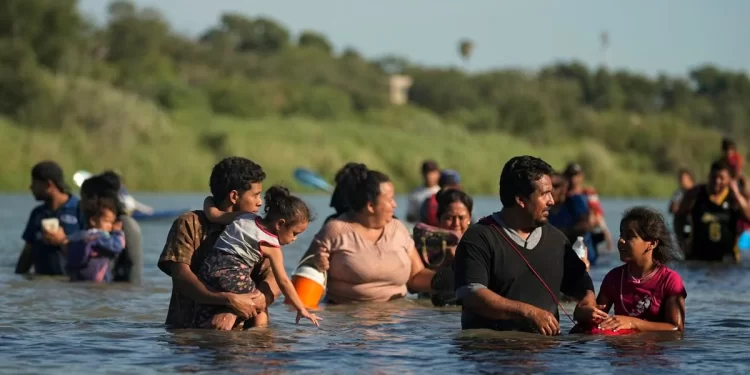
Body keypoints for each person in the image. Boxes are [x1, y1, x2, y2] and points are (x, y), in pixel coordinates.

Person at [454, 155, 597, 335]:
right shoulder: (478, 237)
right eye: (545, 194)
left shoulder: (557, 240)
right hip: (491, 353)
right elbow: (472, 296)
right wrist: (529, 312)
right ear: (521, 200)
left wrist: (588, 302)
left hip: (546, 355)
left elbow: (581, 283)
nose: (552, 201)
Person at [158, 156, 280, 330]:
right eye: (255, 195)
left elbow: (275, 280)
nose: (260, 202)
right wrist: (227, 299)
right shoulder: (190, 224)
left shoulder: (256, 230)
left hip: (242, 340)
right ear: (234, 196)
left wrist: (240, 308)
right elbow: (181, 277)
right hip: (188, 335)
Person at [298, 163, 436, 304]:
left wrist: (447, 280)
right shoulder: (335, 230)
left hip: (399, 320)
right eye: (389, 200)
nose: (395, 205)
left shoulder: (399, 229)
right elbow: (303, 277)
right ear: (370, 205)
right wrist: (316, 265)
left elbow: (416, 276)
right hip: (346, 320)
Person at [194, 186, 320, 329]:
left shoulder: (245, 216)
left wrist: (209, 199)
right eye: (294, 233)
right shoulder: (272, 246)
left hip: (207, 271)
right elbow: (284, 282)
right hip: (233, 277)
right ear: (280, 224)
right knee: (258, 298)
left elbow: (213, 215)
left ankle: (205, 327)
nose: (294, 239)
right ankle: (258, 335)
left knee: (205, 311)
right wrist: (301, 309)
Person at [574, 206, 686, 333]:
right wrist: (582, 313)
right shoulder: (614, 277)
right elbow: (597, 315)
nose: (621, 241)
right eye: (621, 235)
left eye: (629, 236)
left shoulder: (670, 280)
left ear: (652, 243)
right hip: (622, 347)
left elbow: (676, 328)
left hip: (654, 349)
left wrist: (633, 323)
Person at [16, 161, 84, 276]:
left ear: (48, 185)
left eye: (34, 183)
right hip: (42, 286)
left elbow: (90, 253)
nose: (31, 187)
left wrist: (62, 241)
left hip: (70, 286)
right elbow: (27, 253)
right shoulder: (37, 213)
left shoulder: (80, 210)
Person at [675, 159, 750, 262]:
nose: (717, 181)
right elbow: (679, 217)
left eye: (721, 178)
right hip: (697, 259)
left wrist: (737, 194)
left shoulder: (734, 199)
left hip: (727, 262)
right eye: (714, 177)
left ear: (729, 180)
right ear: (709, 176)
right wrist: (682, 242)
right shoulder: (695, 194)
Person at [413, 188, 473, 306]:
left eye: (461, 218)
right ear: (439, 219)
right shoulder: (425, 247)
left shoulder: (480, 245)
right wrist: (444, 260)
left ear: (469, 219)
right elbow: (415, 283)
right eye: (449, 218)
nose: (456, 224)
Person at [81, 173, 143, 284]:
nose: (81, 203)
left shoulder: (126, 224)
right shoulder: (91, 221)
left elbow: (134, 268)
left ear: (98, 199)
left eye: (84, 198)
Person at [66, 196, 126, 282]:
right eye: (107, 221)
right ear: (93, 220)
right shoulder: (99, 236)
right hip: (97, 280)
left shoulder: (80, 235)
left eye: (112, 222)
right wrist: (117, 232)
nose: (111, 226)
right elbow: (117, 246)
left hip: (78, 277)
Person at [548, 172, 594, 267]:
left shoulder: (575, 201)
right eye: (549, 186)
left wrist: (559, 233)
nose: (552, 190)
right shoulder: (543, 207)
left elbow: (585, 225)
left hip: (582, 258)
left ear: (564, 188)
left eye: (556, 186)